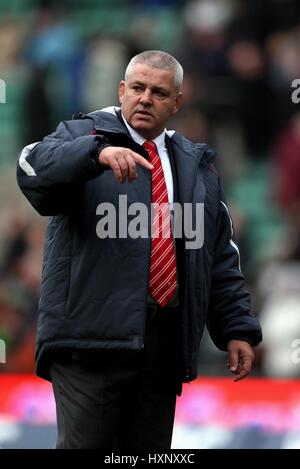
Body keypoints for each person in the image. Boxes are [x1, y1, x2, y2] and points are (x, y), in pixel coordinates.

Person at [17, 50, 262, 449]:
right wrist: (94, 154)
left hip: (161, 349)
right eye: (137, 88)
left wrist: (236, 328)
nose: (146, 98)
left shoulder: (196, 166)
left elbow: (218, 257)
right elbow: (30, 167)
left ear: (177, 102)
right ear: (121, 90)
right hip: (89, 343)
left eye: (159, 92)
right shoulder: (82, 136)